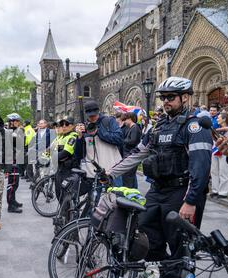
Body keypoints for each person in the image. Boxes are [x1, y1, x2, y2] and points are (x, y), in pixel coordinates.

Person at [108, 76, 213, 261]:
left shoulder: (195, 126)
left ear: (185, 97)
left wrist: (190, 201)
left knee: (180, 246)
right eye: (162, 97)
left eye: (170, 97)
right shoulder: (160, 126)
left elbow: (201, 169)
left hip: (180, 192)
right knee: (145, 236)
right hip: (157, 190)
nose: (165, 101)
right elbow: (138, 152)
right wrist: (111, 172)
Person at [75, 101, 123, 203]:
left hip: (112, 169)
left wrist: (99, 132)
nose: (93, 118)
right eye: (90, 116)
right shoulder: (84, 127)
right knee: (92, 204)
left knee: (117, 200)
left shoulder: (108, 121)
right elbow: (79, 155)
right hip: (93, 173)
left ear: (98, 112)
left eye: (94, 115)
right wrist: (79, 138)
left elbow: (119, 139)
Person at [54, 117, 79, 202]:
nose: (64, 126)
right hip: (60, 168)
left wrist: (51, 159)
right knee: (58, 192)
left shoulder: (72, 137)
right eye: (62, 124)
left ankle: (66, 214)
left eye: (67, 124)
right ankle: (62, 213)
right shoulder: (62, 137)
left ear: (72, 126)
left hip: (68, 169)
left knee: (66, 193)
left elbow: (66, 152)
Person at [6, 113, 25, 213]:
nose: (18, 123)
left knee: (15, 183)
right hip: (12, 160)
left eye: (18, 121)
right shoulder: (10, 132)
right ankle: (10, 205)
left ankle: (13, 200)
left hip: (16, 159)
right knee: (13, 183)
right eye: (16, 121)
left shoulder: (15, 131)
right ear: (11, 122)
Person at [121, 112, 142, 188]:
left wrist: (123, 141)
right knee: (128, 177)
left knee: (128, 177)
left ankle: (130, 195)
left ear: (130, 119)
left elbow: (133, 141)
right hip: (129, 154)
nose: (124, 122)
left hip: (131, 155)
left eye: (125, 120)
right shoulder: (131, 128)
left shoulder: (135, 127)